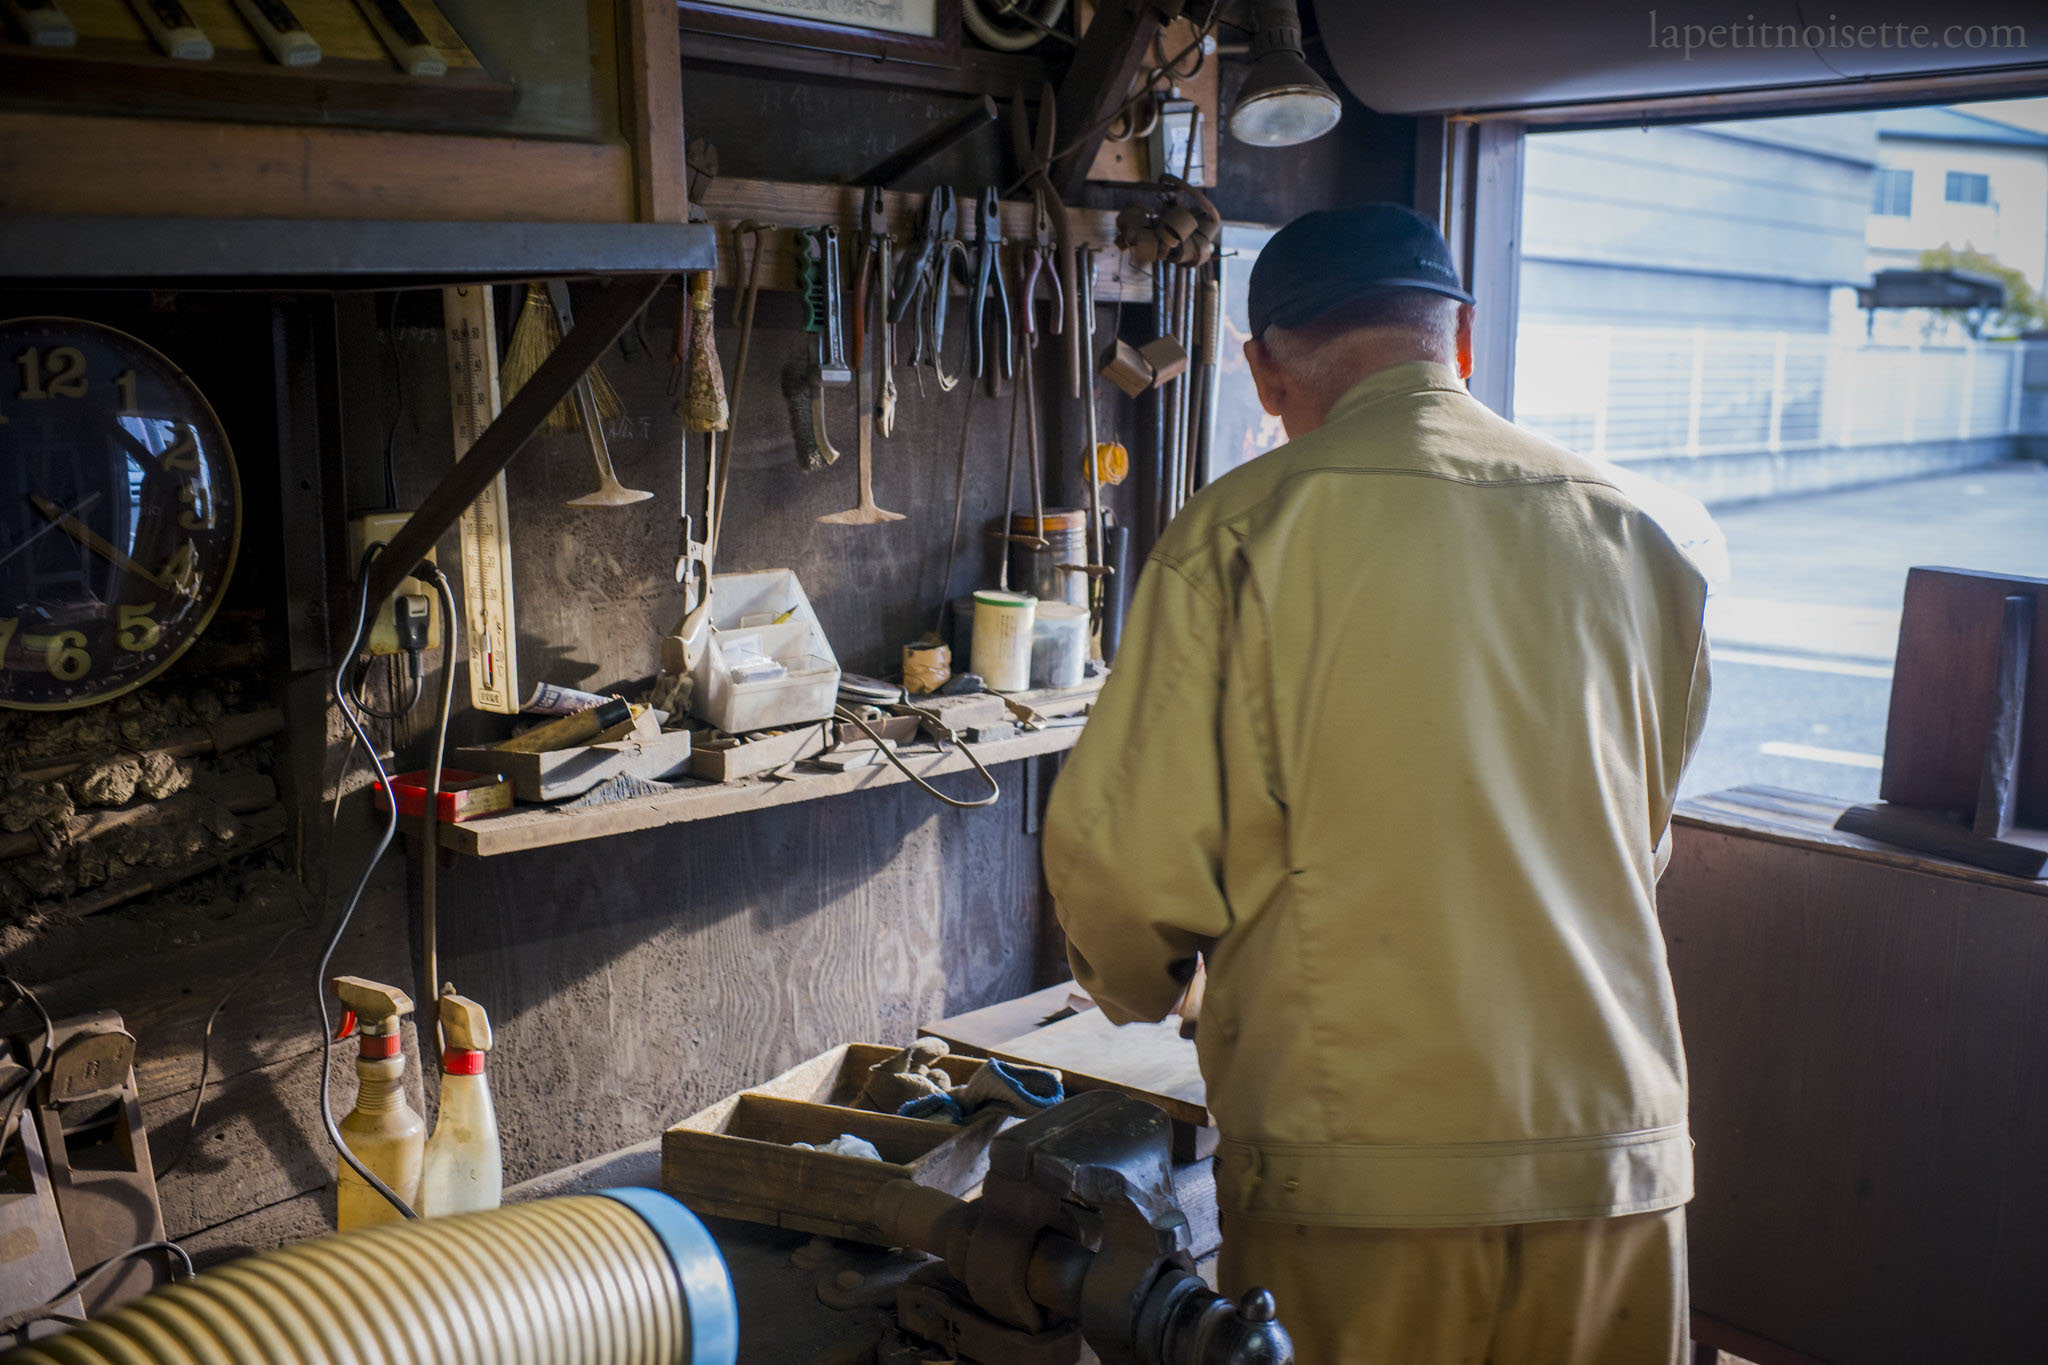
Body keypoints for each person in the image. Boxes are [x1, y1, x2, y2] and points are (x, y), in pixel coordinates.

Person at [1042, 204, 1712, 1364]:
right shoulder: (1632, 536)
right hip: (1612, 1151)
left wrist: (1138, 988)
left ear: (1262, 371)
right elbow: (1637, 834)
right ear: (1458, 337)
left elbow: (1122, 864)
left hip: (1356, 1169)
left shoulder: (1237, 534)